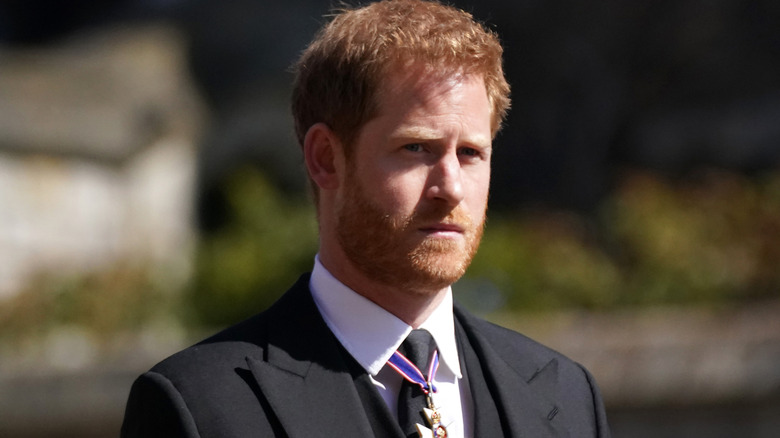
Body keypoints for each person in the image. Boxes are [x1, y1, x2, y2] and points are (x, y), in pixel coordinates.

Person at [121, 0, 611, 437]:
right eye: (415, 148)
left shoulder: (567, 397)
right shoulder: (200, 407)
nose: (450, 188)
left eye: (470, 153)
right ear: (326, 159)